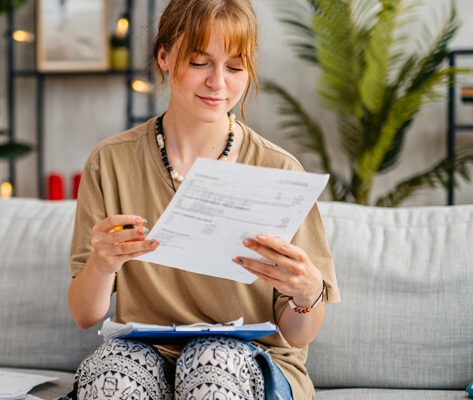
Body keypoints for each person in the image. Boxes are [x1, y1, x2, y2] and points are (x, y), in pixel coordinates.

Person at [67, 0, 340, 399]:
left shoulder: (279, 170)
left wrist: (307, 293)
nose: (218, 82)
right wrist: (103, 262)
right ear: (163, 55)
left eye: (234, 67)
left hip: (252, 360)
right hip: (146, 354)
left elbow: (298, 336)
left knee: (210, 358)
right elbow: (84, 314)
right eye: (200, 62)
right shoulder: (110, 162)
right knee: (111, 374)